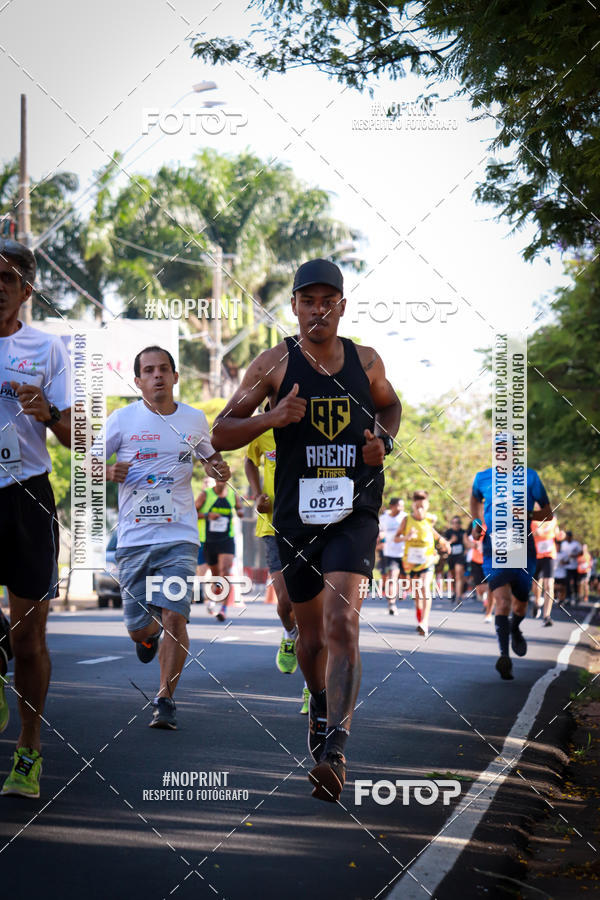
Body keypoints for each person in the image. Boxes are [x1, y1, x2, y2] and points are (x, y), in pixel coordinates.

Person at [211, 258, 401, 803]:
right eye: (308, 300)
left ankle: (336, 748)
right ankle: (319, 708)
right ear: (293, 306)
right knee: (312, 637)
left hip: (354, 511)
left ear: (342, 305)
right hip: (295, 517)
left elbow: (391, 407)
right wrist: (271, 418)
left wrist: (381, 444)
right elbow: (222, 432)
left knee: (344, 622)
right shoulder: (273, 364)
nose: (319, 310)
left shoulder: (366, 360)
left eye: (329, 300)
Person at [104, 346, 230, 730]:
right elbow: (90, 463)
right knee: (140, 627)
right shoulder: (122, 419)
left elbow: (211, 461)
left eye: (164, 369)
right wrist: (109, 470)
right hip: (134, 538)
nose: (157, 375)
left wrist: (217, 468)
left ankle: (165, 698)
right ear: (138, 380)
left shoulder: (194, 419)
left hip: (180, 535)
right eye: (148, 370)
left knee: (176, 615)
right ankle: (146, 637)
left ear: (175, 377)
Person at [0, 239, 71, 798]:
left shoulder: (48, 350)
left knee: (29, 640)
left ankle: (28, 751)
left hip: (26, 494)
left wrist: (47, 413)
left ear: (26, 290)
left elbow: (80, 439)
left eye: (8, 277)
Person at [470, 445, 552, 680]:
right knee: (503, 602)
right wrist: (476, 524)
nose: (503, 455)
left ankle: (515, 627)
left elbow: (548, 513)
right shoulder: (482, 477)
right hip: (493, 549)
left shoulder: (530, 477)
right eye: (499, 450)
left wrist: (526, 514)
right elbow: (475, 501)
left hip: (523, 549)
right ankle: (504, 657)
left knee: (520, 606)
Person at [245, 427, 310, 712]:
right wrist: (257, 493)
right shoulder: (262, 430)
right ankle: (289, 635)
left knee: (314, 615)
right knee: (285, 604)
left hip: (311, 526)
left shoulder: (310, 425)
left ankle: (313, 691)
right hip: (273, 527)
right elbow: (249, 460)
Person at [394, 491, 450, 636]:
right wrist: (407, 537)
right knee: (417, 594)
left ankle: (424, 622)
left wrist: (443, 541)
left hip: (427, 561)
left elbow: (433, 533)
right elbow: (396, 538)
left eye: (422, 505)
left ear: (427, 505)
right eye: (417, 505)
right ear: (412, 505)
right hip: (410, 563)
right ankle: (419, 614)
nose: (419, 508)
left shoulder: (430, 519)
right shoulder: (407, 520)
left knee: (425, 588)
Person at [195, 478, 244, 621]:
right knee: (215, 575)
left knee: (225, 571)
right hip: (208, 540)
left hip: (227, 539)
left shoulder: (232, 495)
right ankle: (213, 598)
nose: (221, 481)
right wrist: (207, 516)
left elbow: (239, 508)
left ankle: (223, 608)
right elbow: (192, 511)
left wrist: (240, 512)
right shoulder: (206, 495)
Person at [531, 512, 562, 626]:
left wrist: (560, 535)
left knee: (549, 585)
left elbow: (557, 534)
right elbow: (531, 534)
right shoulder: (533, 520)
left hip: (549, 556)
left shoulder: (553, 519)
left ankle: (546, 616)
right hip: (536, 556)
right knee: (536, 585)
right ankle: (537, 601)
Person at [378, 498, 406, 614]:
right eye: (399, 506)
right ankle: (391, 604)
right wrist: (380, 538)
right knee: (392, 578)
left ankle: (401, 591)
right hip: (390, 553)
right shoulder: (383, 519)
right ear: (392, 506)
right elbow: (379, 533)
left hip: (405, 553)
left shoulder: (405, 517)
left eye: (403, 506)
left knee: (405, 579)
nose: (401, 508)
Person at [466, 520, 491, 620]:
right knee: (479, 589)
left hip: (488, 560)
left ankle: (488, 608)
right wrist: (473, 545)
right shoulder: (475, 525)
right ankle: (485, 597)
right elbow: (468, 540)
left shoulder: (491, 526)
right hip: (475, 560)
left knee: (489, 585)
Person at [445, 515, 467, 603]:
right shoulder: (448, 532)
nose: (456, 524)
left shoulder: (463, 532)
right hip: (451, 557)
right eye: (454, 523)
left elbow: (467, 543)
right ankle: (455, 592)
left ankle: (458, 596)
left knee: (459, 575)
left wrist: (466, 551)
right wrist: (451, 541)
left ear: (460, 524)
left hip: (460, 556)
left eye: (458, 523)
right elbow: (444, 545)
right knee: (453, 576)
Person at [561, 531, 582, 605]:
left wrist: (574, 555)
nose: (566, 538)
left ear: (570, 537)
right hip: (566, 566)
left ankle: (576, 596)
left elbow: (581, 552)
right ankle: (568, 597)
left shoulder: (576, 544)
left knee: (575, 582)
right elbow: (561, 553)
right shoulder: (563, 544)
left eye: (567, 536)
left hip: (574, 566)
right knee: (567, 582)